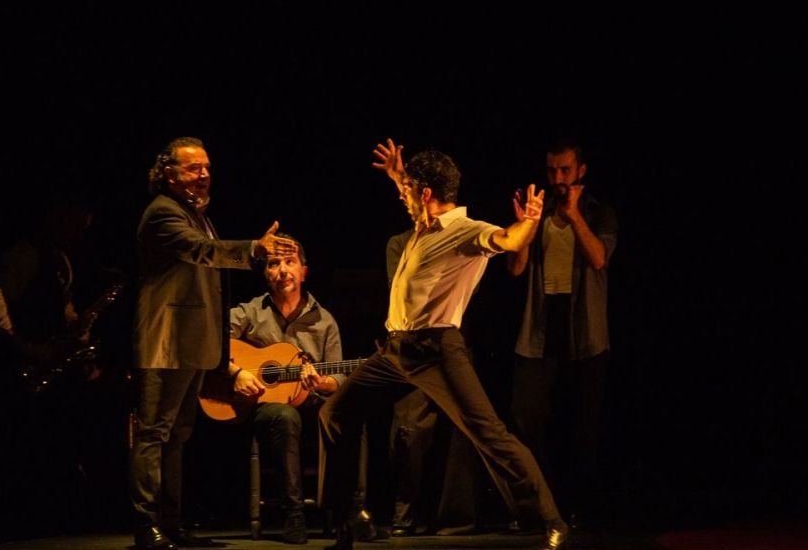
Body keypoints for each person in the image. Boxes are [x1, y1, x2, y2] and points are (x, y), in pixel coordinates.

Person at [318, 139, 568, 550]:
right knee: (335, 413)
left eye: (407, 192)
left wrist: (531, 222)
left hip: (436, 350)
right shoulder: (424, 226)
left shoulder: (465, 232)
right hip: (395, 351)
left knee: (489, 434)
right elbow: (416, 194)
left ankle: (550, 519)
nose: (402, 198)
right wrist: (400, 175)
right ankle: (347, 522)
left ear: (427, 194)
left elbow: (508, 240)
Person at [130, 136, 297, 550]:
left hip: (191, 345)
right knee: (154, 432)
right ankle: (146, 523)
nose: (204, 175)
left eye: (206, 167)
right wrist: (252, 249)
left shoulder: (196, 213)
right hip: (164, 344)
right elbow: (202, 252)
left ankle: (171, 523)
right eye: (193, 168)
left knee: (179, 433)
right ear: (169, 174)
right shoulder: (163, 214)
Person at [0, 192, 122, 533]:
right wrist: (21, 344)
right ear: (60, 217)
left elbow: (65, 308)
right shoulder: (28, 253)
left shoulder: (60, 258)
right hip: (29, 357)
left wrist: (81, 333)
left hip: (54, 357)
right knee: (38, 442)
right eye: (77, 224)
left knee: (63, 436)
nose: (81, 233)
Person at [228, 234, 376, 544]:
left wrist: (321, 382)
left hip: (311, 400)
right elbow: (210, 341)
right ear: (265, 273)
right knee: (284, 416)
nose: (283, 270)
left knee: (351, 415)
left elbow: (338, 378)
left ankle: (354, 510)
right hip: (261, 405)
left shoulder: (325, 321)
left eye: (290, 262)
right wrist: (237, 371)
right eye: (273, 263)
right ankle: (293, 514)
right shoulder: (249, 312)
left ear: (304, 271)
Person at [507, 140, 618, 531]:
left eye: (565, 171)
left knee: (581, 428)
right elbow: (516, 269)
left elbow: (599, 257)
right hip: (540, 328)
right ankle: (541, 506)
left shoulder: (599, 214)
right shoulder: (539, 214)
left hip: (584, 332)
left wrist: (574, 217)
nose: (557, 178)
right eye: (552, 170)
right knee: (526, 419)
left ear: (580, 172)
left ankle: (577, 509)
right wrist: (525, 227)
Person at [385, 229, 481, 537]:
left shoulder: (461, 237)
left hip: (452, 341)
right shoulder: (400, 244)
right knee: (409, 428)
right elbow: (403, 293)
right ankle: (405, 514)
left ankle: (455, 518)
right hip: (414, 346)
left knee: (460, 430)